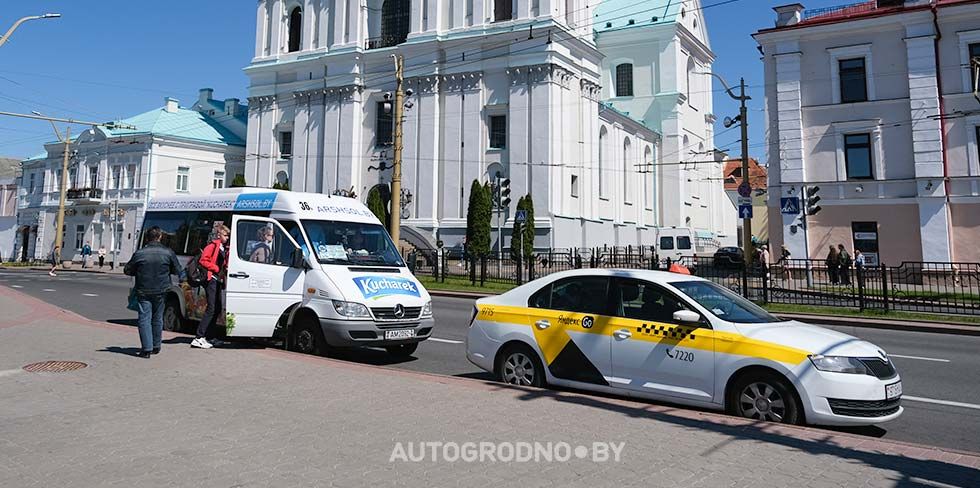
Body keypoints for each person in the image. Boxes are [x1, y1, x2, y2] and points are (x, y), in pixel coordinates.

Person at [124, 226, 182, 358]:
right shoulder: (168, 252)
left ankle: (146, 349)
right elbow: (177, 270)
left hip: (143, 290)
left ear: (147, 238)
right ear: (160, 237)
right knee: (158, 317)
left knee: (144, 318)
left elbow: (128, 270)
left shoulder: (140, 253)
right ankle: (156, 346)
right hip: (162, 290)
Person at [193, 225, 230, 349]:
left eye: (228, 235)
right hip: (211, 279)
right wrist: (216, 268)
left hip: (218, 280)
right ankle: (199, 336)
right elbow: (203, 260)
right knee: (211, 308)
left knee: (217, 308)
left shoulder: (223, 248)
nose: (227, 237)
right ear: (219, 235)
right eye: (225, 235)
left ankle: (210, 336)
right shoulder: (212, 246)